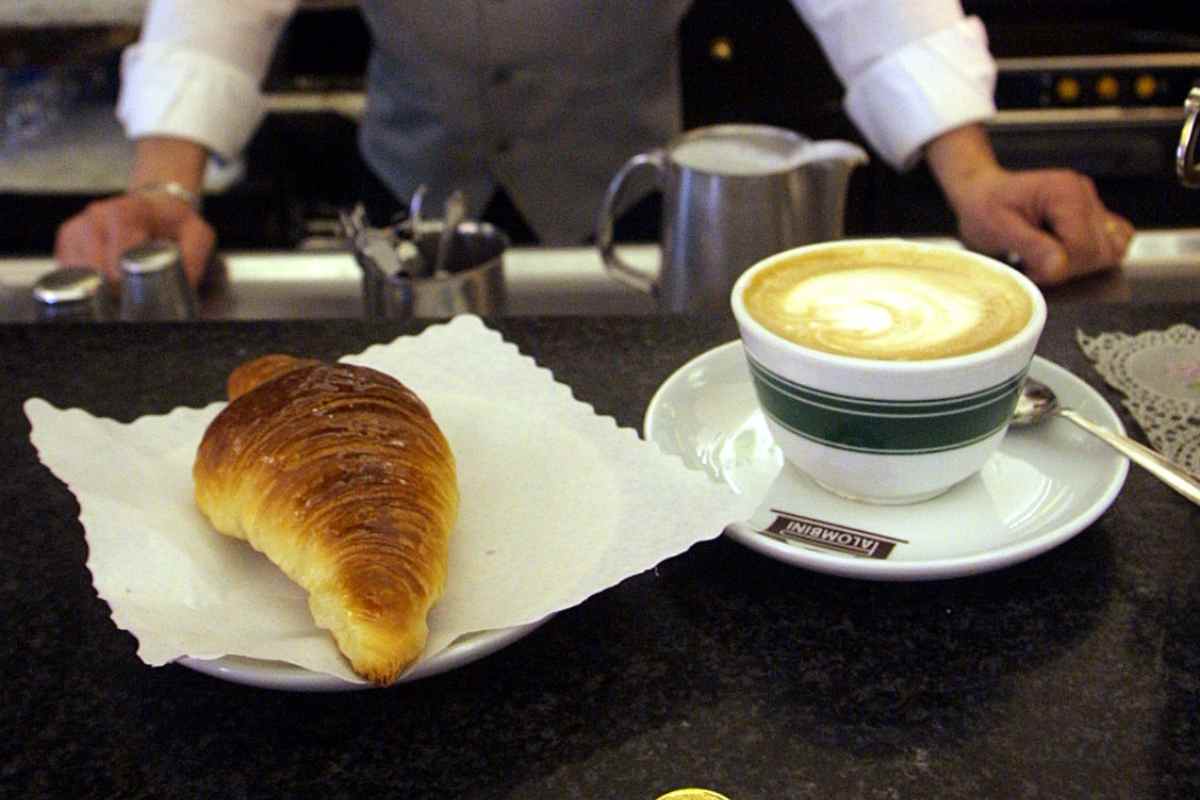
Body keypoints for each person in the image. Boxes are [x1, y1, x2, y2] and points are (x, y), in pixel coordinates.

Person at [55, 0, 1134, 290]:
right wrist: (165, 185)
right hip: (411, 176)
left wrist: (975, 174)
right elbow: (217, 5)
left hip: (626, 180)